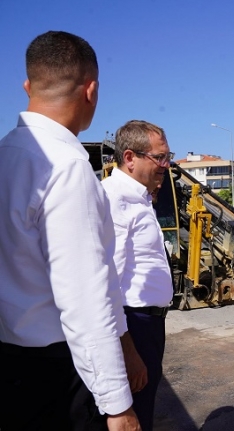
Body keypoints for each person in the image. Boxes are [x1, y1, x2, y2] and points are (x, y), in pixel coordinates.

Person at [0, 31, 140, 430]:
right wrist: (118, 406)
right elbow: (84, 297)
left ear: (28, 86)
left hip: (11, 366)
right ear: (90, 91)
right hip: (56, 377)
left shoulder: (6, 156)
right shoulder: (66, 166)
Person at [102, 120, 174, 431]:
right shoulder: (115, 200)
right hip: (133, 326)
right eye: (159, 158)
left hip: (147, 325)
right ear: (130, 158)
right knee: (132, 419)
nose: (165, 165)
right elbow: (106, 285)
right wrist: (127, 351)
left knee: (143, 414)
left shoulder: (140, 198)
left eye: (167, 157)